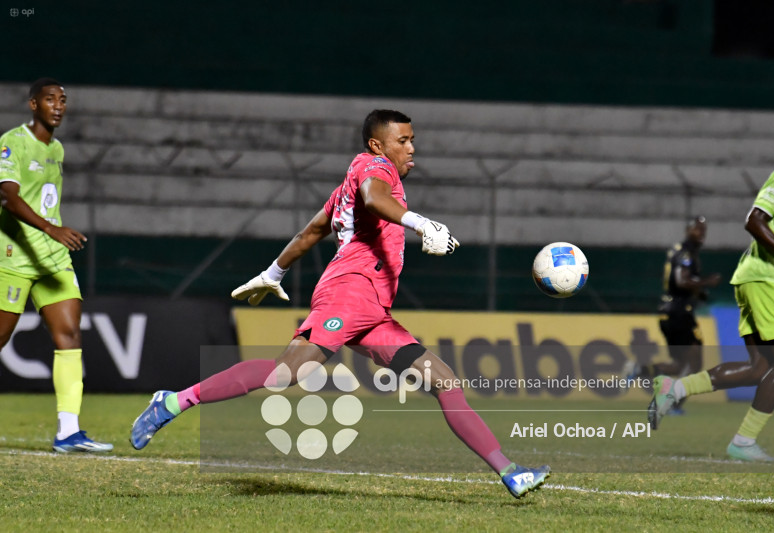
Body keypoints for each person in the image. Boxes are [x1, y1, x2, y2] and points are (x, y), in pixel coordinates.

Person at [130, 109, 550, 498]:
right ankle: (174, 400)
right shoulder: (371, 168)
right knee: (283, 375)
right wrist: (421, 223)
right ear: (377, 145)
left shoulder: (347, 189)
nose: (411, 148)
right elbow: (372, 197)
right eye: (402, 140)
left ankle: (509, 471)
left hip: (373, 311)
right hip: (349, 294)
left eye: (412, 139)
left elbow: (312, 231)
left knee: (444, 381)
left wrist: (271, 274)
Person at [649, 166, 774, 462]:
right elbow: (754, 222)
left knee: (761, 368)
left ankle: (674, 388)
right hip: (766, 277)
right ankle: (743, 441)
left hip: (767, 279)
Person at [0, 78, 112, 453]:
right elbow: (7, 197)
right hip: (14, 258)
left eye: (63, 100)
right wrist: (51, 227)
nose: (58, 106)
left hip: (53, 258)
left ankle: (68, 431)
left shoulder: (58, 149)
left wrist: (53, 234)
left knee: (69, 336)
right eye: (50, 100)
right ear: (33, 105)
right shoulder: (12, 142)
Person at [625, 216, 721, 414]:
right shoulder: (685, 254)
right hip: (679, 312)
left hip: (668, 311)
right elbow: (681, 281)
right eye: (698, 229)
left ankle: (640, 369)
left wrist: (699, 292)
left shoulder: (682, 252)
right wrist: (706, 283)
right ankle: (672, 403)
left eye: (704, 230)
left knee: (678, 365)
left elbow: (681, 282)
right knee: (695, 364)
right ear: (688, 230)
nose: (702, 233)